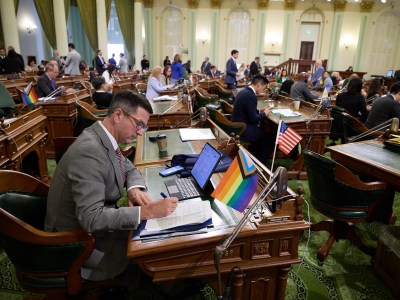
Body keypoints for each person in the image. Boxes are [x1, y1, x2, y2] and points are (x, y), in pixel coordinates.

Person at [45, 90, 178, 282]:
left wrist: (133, 188)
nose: (141, 132)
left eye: (144, 127)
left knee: (155, 232)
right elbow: (91, 218)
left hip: (90, 226)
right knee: (155, 240)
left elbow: (129, 168)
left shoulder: (103, 137)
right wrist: (146, 212)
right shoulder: (89, 152)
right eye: (139, 124)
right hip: (76, 244)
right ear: (118, 115)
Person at [231, 75, 273, 164]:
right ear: (258, 85)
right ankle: (261, 164)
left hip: (237, 127)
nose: (262, 91)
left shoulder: (244, 92)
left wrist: (259, 111)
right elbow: (253, 119)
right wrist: (265, 113)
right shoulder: (251, 96)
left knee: (263, 131)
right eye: (263, 88)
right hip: (243, 130)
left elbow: (247, 111)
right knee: (268, 137)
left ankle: (254, 156)